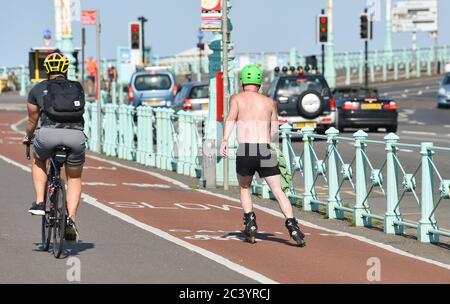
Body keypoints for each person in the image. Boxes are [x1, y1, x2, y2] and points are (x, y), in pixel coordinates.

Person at [220, 64, 306, 247]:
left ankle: (250, 224)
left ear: (242, 81)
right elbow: (274, 130)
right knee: (278, 190)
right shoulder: (269, 102)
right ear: (259, 82)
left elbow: (231, 119)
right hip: (264, 148)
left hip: (246, 149)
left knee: (245, 188)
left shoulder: (236, 98)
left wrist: (224, 140)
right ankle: (293, 226)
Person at [24, 52, 86, 243]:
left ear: (47, 70)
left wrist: (28, 137)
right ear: (66, 69)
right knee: (74, 177)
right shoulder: (77, 87)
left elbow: (32, 121)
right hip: (75, 137)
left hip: (48, 135)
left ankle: (41, 202)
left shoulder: (37, 89)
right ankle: (71, 220)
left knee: (39, 158)